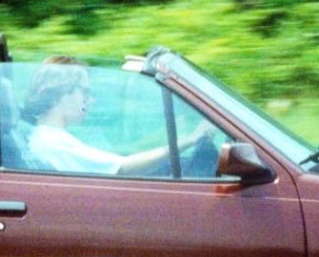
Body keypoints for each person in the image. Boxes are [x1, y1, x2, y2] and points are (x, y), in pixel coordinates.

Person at [21, 56, 212, 175]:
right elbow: (123, 168)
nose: (90, 100)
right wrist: (190, 140)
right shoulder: (55, 143)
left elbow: (122, 153)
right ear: (62, 92)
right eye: (85, 92)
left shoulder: (46, 137)